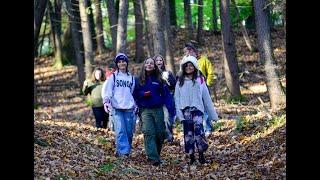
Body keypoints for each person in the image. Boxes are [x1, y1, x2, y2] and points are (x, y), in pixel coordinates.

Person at [174, 55, 218, 165]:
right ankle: (192, 156)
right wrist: (179, 115)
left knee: (199, 132)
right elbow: (177, 98)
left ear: (195, 67)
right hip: (185, 111)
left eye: (191, 65)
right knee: (188, 134)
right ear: (183, 68)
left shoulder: (200, 80)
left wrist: (213, 115)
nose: (189, 67)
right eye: (186, 66)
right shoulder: (180, 81)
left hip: (197, 110)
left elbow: (206, 97)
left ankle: (201, 154)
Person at [133, 57, 175, 166]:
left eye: (151, 63)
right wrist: (143, 94)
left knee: (160, 133)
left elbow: (166, 94)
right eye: (147, 63)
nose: (149, 65)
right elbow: (134, 94)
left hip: (158, 109)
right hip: (145, 110)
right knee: (149, 132)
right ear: (144, 65)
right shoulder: (138, 79)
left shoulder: (159, 79)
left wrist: (170, 107)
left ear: (154, 65)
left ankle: (156, 154)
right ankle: (153, 158)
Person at [101, 53, 138, 158]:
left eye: (123, 61)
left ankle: (127, 150)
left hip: (129, 108)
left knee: (129, 132)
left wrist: (135, 104)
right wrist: (106, 101)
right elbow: (108, 90)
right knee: (121, 130)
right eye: (119, 62)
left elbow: (132, 93)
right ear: (117, 64)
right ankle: (123, 153)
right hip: (116, 108)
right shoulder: (113, 77)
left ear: (126, 63)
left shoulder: (131, 78)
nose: (122, 63)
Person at [183, 43, 215, 137]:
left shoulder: (204, 60)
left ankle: (208, 128)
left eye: (186, 52)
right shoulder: (185, 61)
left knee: (205, 108)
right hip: (190, 90)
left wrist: (207, 84)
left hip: (202, 88)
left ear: (191, 50)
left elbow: (210, 73)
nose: (185, 54)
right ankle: (196, 128)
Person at [154, 54, 176, 142]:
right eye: (157, 60)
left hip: (166, 100)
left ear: (163, 62)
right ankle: (160, 138)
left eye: (160, 60)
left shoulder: (167, 73)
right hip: (155, 101)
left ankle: (169, 138)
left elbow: (173, 85)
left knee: (167, 119)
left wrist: (168, 80)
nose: (159, 62)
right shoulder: (151, 74)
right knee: (158, 120)